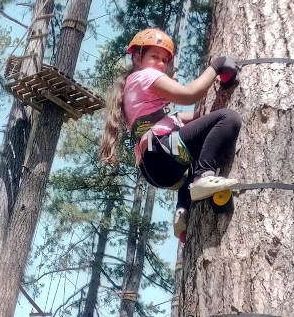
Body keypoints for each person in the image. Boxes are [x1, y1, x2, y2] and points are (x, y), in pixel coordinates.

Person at [98, 28, 242, 241]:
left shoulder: (135, 90)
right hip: (163, 149)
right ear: (138, 58)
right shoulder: (145, 76)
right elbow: (189, 94)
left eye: (165, 60)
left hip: (154, 166)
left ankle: (182, 210)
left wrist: (201, 116)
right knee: (228, 118)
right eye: (154, 57)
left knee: (198, 151)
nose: (160, 64)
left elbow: (185, 118)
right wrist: (217, 66)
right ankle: (204, 177)